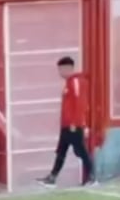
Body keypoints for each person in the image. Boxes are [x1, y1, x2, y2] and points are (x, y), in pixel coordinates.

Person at [39, 56, 97, 187]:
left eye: (60, 69)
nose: (59, 73)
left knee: (81, 151)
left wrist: (75, 123)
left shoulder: (75, 81)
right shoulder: (69, 82)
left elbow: (80, 103)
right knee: (61, 151)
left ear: (67, 68)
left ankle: (92, 177)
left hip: (73, 125)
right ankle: (52, 177)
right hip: (67, 125)